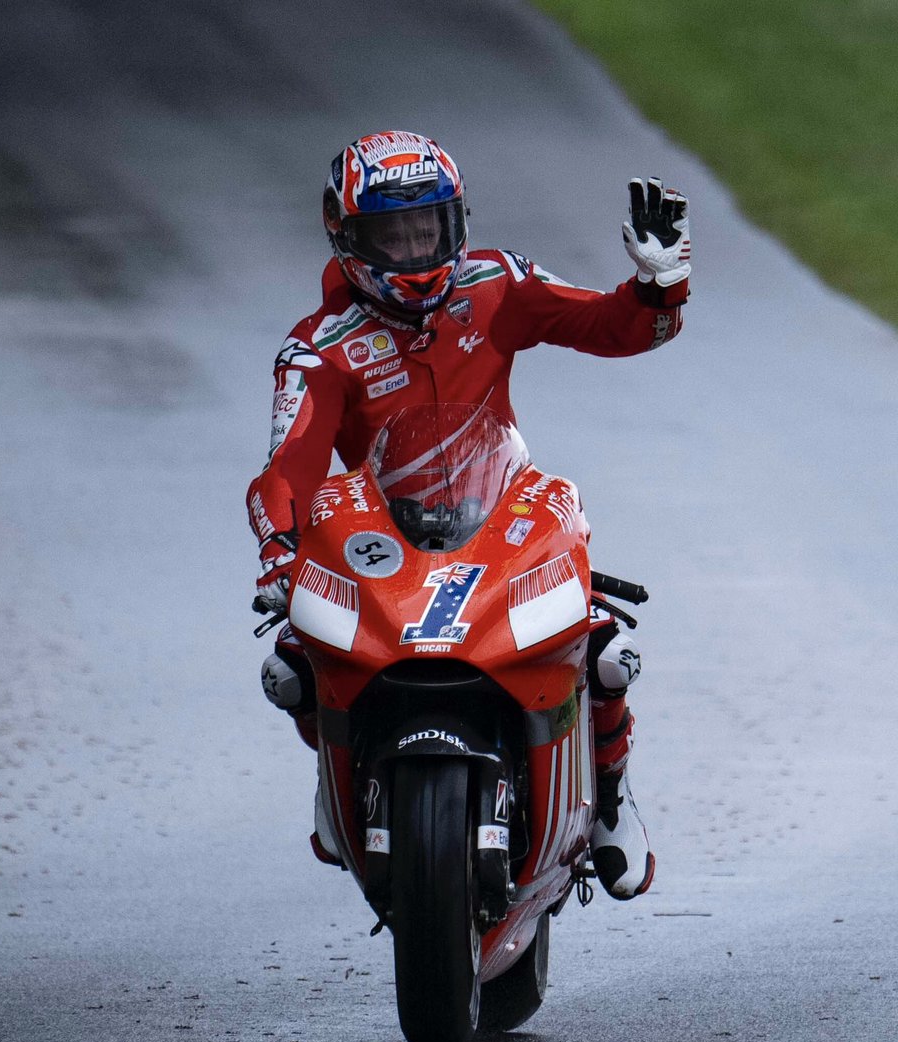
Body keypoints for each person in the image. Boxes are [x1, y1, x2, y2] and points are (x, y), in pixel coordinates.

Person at [247, 129, 690, 900]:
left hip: (497, 518)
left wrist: (658, 291)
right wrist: (281, 554)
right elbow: (287, 471)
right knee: (290, 664)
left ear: (458, 223)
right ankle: (335, 772)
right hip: (382, 541)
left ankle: (613, 802)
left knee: (604, 645)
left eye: (429, 229)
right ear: (347, 233)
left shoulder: (498, 283)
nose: (416, 252)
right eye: (392, 234)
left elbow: (611, 328)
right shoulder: (317, 349)